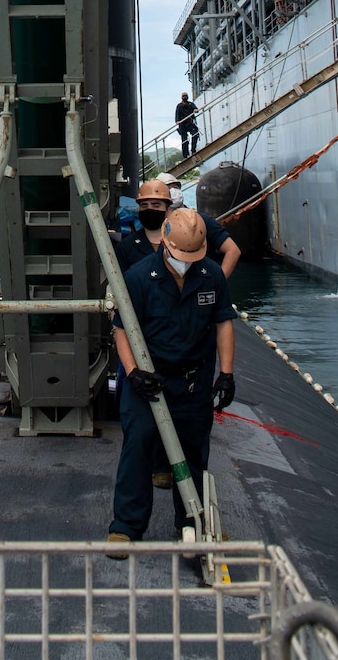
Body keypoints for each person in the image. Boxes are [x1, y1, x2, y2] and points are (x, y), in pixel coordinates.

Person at [106, 207, 235, 556]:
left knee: (194, 452)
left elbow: (223, 322)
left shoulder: (211, 276)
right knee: (138, 446)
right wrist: (133, 373)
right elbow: (122, 329)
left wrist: (226, 373)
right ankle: (126, 527)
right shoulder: (137, 277)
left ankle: (191, 523)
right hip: (149, 378)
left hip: (193, 381)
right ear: (164, 242)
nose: (188, 262)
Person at [130, 177, 241, 279]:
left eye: (175, 186)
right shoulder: (135, 243)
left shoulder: (201, 221)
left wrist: (218, 282)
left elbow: (232, 250)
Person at [175, 93, 200, 159]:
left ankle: (193, 150)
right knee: (184, 140)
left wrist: (195, 110)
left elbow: (195, 109)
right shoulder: (179, 106)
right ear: (181, 97)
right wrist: (177, 121)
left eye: (185, 96)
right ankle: (185, 155)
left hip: (190, 123)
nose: (185, 97)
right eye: (183, 96)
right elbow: (177, 114)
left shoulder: (191, 104)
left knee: (195, 134)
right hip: (182, 124)